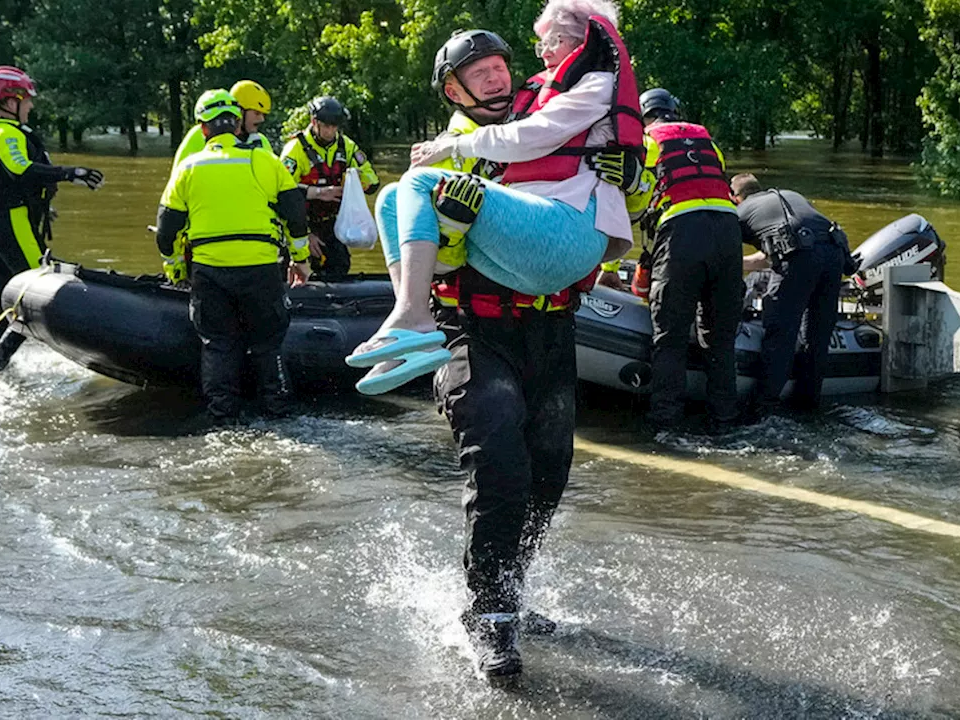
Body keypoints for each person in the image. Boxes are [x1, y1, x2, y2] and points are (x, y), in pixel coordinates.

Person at [357, 1, 642, 684]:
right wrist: (458, 223)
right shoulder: (447, 147)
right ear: (452, 90)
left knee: (550, 473)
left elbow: (614, 157)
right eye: (474, 74)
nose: (493, 79)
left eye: (498, 67)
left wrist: (634, 170)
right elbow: (429, 237)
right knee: (501, 470)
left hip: (550, 326)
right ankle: (489, 617)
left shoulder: (550, 112)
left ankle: (510, 591)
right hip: (472, 329)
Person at [154, 89, 312, 424]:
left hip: (210, 272)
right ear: (238, 123)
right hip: (261, 270)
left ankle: (222, 419)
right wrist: (300, 258)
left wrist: (176, 267)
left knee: (217, 345)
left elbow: (166, 230)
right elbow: (295, 216)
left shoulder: (188, 168)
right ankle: (278, 413)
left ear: (203, 128)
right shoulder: (264, 162)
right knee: (268, 345)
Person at [0, 65, 104, 373]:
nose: (30, 105)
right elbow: (20, 169)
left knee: (4, 295)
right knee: (35, 291)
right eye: (25, 99)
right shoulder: (3, 132)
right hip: (10, 223)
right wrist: (71, 173)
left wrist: (41, 206)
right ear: (9, 101)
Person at [635, 87, 742, 433]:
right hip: (728, 231)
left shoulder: (645, 142)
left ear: (645, 116)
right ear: (675, 112)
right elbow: (716, 184)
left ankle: (665, 427)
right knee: (721, 340)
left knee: (670, 338)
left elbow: (633, 206)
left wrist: (610, 268)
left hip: (682, 233)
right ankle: (724, 422)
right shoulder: (708, 141)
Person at [732, 173, 854, 418]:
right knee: (817, 335)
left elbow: (722, 249)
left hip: (800, 258)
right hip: (835, 254)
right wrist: (742, 263)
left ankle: (764, 408)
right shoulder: (789, 196)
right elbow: (783, 247)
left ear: (734, 197)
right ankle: (808, 406)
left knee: (781, 332)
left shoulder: (741, 211)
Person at [279, 96, 381, 279]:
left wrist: (357, 179)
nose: (331, 131)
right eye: (326, 126)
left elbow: (373, 182)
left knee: (340, 266)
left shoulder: (346, 146)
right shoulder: (295, 150)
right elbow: (282, 193)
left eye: (335, 126)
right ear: (314, 122)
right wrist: (306, 235)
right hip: (301, 225)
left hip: (333, 225)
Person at [172, 80, 274, 166]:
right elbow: (179, 176)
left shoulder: (261, 141)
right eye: (256, 113)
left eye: (263, 115)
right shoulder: (198, 135)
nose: (261, 119)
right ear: (240, 111)